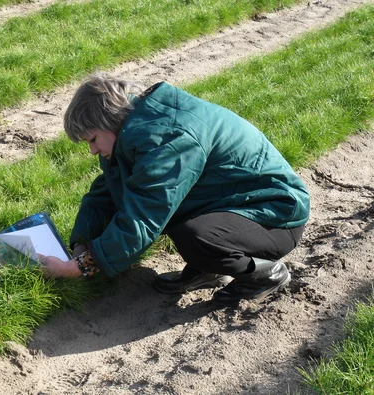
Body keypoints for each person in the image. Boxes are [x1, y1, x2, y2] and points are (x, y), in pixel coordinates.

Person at [38, 73, 310, 304]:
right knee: (183, 226)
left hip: (276, 215)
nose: (92, 150)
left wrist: (78, 268)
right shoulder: (135, 130)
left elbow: (144, 215)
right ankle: (209, 269)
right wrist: (81, 244)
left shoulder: (168, 139)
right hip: (234, 204)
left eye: (93, 139)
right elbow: (107, 192)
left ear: (110, 120)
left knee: (196, 236)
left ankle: (264, 273)